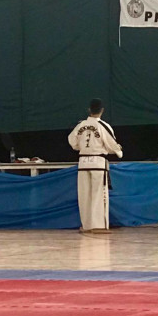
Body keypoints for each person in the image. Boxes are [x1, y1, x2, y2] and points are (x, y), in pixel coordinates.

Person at [68, 98, 123, 233]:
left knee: (84, 195)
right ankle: (99, 226)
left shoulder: (80, 125)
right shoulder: (103, 125)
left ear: (89, 110)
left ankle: (86, 226)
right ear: (102, 110)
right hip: (98, 162)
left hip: (83, 162)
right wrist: (118, 151)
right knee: (98, 194)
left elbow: (72, 141)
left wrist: (81, 147)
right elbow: (111, 144)